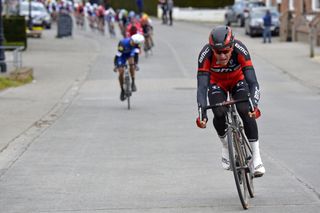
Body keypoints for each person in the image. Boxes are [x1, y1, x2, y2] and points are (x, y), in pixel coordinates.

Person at [196, 26, 265, 177]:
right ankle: (226, 146)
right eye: (218, 52)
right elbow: (201, 88)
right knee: (218, 112)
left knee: (245, 110)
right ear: (212, 49)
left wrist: (254, 103)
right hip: (217, 83)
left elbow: (253, 83)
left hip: (238, 80)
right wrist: (202, 112)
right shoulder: (205, 55)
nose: (222, 56)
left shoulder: (240, 49)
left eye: (226, 51)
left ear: (232, 46)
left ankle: (256, 158)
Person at [114, 34, 145, 101]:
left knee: (132, 64)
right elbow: (118, 54)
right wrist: (116, 65)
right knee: (121, 72)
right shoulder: (123, 43)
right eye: (134, 44)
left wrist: (135, 64)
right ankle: (122, 90)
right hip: (122, 55)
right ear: (132, 41)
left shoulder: (137, 44)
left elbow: (136, 54)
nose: (135, 45)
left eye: (137, 44)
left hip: (130, 54)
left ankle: (133, 82)